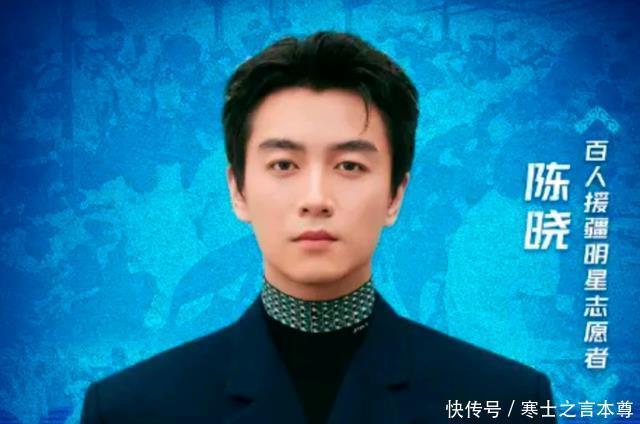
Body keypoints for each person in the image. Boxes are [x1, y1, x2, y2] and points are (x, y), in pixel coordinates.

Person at [81, 31, 556, 423]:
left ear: (395, 195)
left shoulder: (507, 402)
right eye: (284, 164)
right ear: (238, 191)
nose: (315, 199)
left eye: (349, 166)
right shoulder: (131, 409)